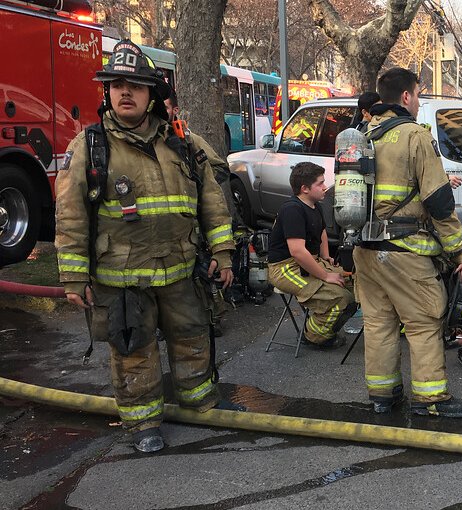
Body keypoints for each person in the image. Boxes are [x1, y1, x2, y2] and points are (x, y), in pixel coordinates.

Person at [55, 40, 236, 453]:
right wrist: (73, 276)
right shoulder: (90, 146)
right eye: (116, 84)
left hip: (181, 268)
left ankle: (200, 401)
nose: (124, 92)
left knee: (192, 335)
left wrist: (223, 253)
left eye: (134, 85)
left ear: (151, 93)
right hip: (122, 276)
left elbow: (211, 198)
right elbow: (70, 216)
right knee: (133, 348)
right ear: (107, 92)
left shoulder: (181, 142)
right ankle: (143, 423)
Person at [354, 67, 462, 418]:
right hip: (404, 250)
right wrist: (455, 250)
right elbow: (438, 201)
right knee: (423, 321)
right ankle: (430, 399)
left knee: (378, 324)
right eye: (418, 94)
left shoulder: (360, 135)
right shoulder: (413, 135)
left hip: (364, 249)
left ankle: (383, 396)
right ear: (406, 96)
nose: (419, 102)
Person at [165, 91, 239, 337]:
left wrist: (195, 188)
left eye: (165, 107)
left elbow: (219, 168)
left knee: (203, 273)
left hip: (193, 225)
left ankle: (214, 317)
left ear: (175, 110)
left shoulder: (189, 141)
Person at [267, 162, 356, 347]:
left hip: (310, 261)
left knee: (355, 287)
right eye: (320, 183)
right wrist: (325, 276)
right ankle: (313, 336)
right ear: (305, 189)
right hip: (285, 268)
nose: (325, 187)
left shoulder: (315, 206)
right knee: (340, 297)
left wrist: (325, 257)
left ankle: (324, 326)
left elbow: (321, 231)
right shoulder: (292, 210)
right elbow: (297, 251)